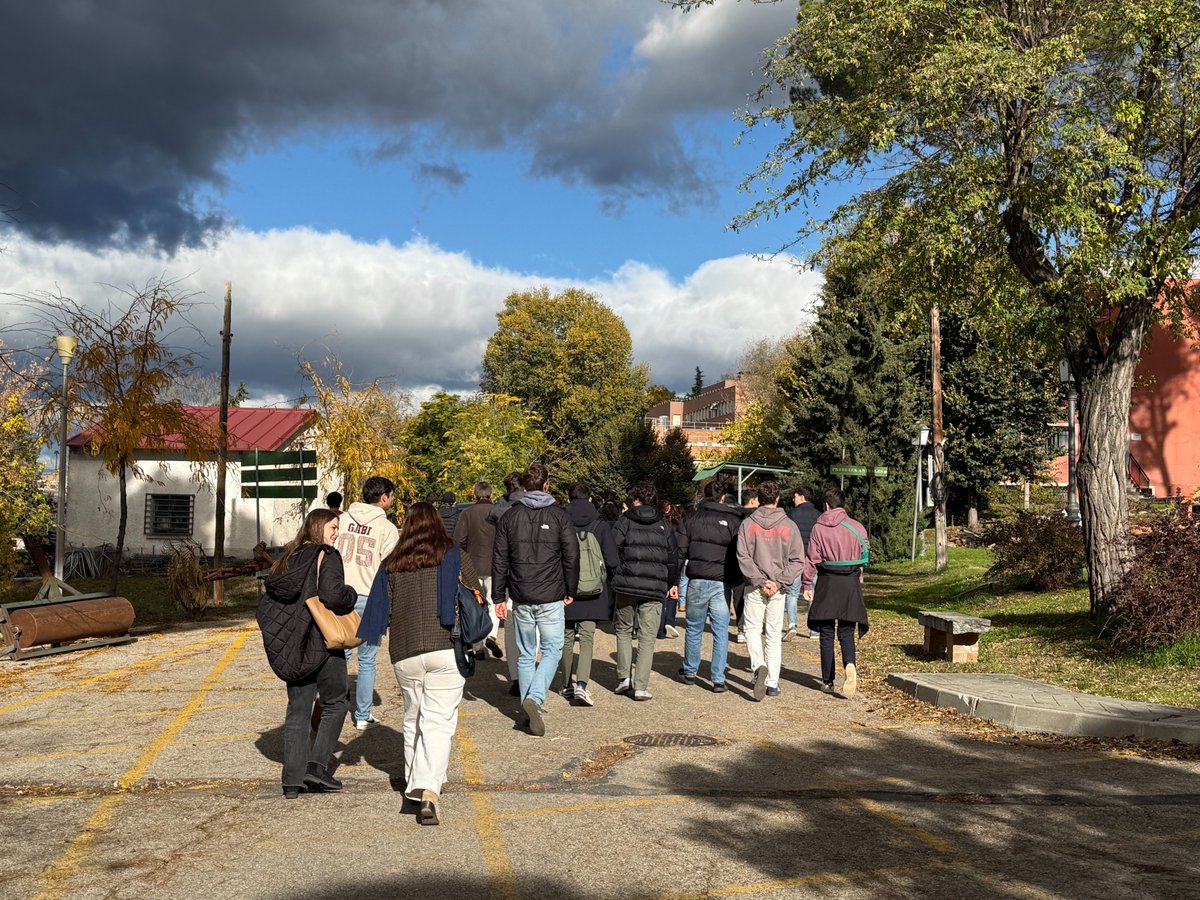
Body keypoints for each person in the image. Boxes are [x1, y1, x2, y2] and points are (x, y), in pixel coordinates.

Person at [380, 502, 477, 825]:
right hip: (445, 645)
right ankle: (428, 790)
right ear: (438, 524)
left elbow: (385, 613)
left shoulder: (393, 562)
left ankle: (413, 786)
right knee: (438, 722)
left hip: (405, 650)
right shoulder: (453, 555)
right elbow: (476, 593)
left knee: (413, 718)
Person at [259, 509, 358, 799]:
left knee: (298, 710)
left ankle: (291, 780)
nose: (336, 533)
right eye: (333, 527)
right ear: (319, 527)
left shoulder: (287, 559)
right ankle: (316, 767)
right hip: (321, 640)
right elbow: (333, 595)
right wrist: (350, 594)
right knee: (337, 703)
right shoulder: (326, 555)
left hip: (293, 643)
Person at [492, 462, 579, 736]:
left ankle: (528, 711)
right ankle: (536, 698)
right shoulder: (559, 516)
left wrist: (498, 596)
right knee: (552, 649)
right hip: (551, 593)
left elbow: (500, 559)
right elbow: (572, 555)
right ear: (546, 484)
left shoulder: (509, 517)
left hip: (521, 594)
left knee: (526, 654)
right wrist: (571, 589)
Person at [339, 476, 399, 730]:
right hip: (370, 596)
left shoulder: (342, 519)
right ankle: (362, 714)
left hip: (341, 594)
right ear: (383, 497)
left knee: (339, 653)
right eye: (392, 496)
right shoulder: (387, 529)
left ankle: (334, 704)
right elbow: (390, 567)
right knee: (367, 659)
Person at [611, 481, 680, 701]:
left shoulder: (624, 521)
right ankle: (640, 685)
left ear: (636, 498)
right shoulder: (665, 525)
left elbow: (612, 550)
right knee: (647, 637)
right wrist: (670, 583)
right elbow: (672, 558)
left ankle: (624, 678)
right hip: (654, 586)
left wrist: (618, 572)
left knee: (623, 630)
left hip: (627, 583)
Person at [736, 481, 804, 701]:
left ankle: (758, 665)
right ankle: (772, 682)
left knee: (752, 629)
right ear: (777, 499)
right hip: (778, 588)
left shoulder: (748, 525)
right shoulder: (789, 526)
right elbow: (797, 560)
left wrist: (758, 579)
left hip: (754, 586)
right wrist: (779, 581)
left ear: (758, 499)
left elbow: (743, 557)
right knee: (774, 634)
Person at [803, 487, 870, 698]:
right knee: (846, 630)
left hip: (827, 581)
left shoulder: (818, 528)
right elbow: (864, 552)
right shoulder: (857, 527)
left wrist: (806, 584)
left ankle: (828, 680)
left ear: (826, 505)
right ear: (842, 504)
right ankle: (849, 664)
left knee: (826, 632)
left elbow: (812, 558)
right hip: (850, 582)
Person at [676, 480, 743, 692]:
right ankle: (718, 677)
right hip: (720, 580)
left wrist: (676, 579)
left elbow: (681, 550)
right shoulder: (734, 521)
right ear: (723, 497)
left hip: (696, 578)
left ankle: (690, 670)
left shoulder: (691, 518)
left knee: (694, 627)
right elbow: (738, 553)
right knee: (720, 630)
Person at [561, 480, 619, 707]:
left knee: (565, 639)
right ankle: (582, 685)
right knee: (586, 638)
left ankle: (565, 683)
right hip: (594, 590)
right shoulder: (600, 525)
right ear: (591, 499)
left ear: (568, 499)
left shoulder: (561, 521)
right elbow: (613, 560)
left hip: (567, 589)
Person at [488, 471, 528, 694]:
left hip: (507, 574)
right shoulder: (531, 506)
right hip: (531, 573)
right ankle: (527, 672)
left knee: (512, 626)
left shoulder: (499, 509)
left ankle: (515, 677)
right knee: (531, 627)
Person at [453, 481, 502, 660]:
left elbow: (459, 541)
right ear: (491, 494)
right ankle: (492, 634)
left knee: (474, 603)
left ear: (474, 495)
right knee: (493, 600)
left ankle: (477, 646)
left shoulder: (466, 513)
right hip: (495, 565)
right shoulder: (499, 512)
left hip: (471, 565)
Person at [784, 485, 821, 641]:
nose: (793, 499)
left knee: (792, 593)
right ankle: (814, 630)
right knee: (812, 593)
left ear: (801, 497)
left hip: (795, 559)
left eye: (795, 496)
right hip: (813, 560)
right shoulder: (818, 515)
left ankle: (792, 624)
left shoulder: (791, 515)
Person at [657, 500, 685, 640]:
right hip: (676, 561)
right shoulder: (678, 525)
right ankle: (670, 621)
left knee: (662, 594)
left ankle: (660, 629)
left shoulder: (659, 525)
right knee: (673, 591)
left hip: (661, 562)